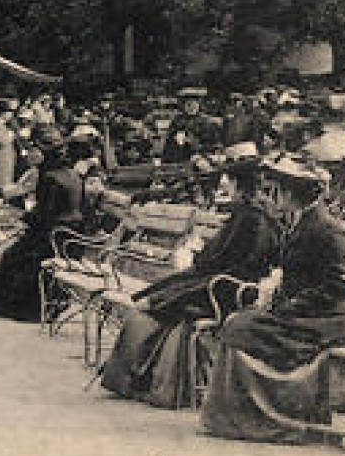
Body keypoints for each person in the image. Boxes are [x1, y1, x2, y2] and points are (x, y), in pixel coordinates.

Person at [99, 148, 282, 408]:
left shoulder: (248, 217)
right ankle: (141, 375)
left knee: (152, 305)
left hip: (221, 289)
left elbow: (216, 260)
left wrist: (197, 255)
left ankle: (136, 378)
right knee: (158, 295)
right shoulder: (260, 215)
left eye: (226, 181)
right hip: (229, 285)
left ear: (239, 185)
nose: (223, 185)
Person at [201, 157, 345, 443]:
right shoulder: (301, 223)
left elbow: (341, 285)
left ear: (294, 193)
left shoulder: (327, 229)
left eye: (279, 191)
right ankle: (242, 415)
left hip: (325, 318)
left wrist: (291, 305)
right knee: (237, 323)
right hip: (302, 312)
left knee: (238, 327)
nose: (275, 198)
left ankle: (264, 417)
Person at [0, 124, 84, 322]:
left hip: (54, 237)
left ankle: (26, 310)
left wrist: (20, 215)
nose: (29, 154)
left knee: (15, 255)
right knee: (13, 250)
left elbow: (44, 217)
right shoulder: (70, 173)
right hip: (68, 236)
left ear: (46, 152)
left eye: (34, 150)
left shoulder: (49, 177)